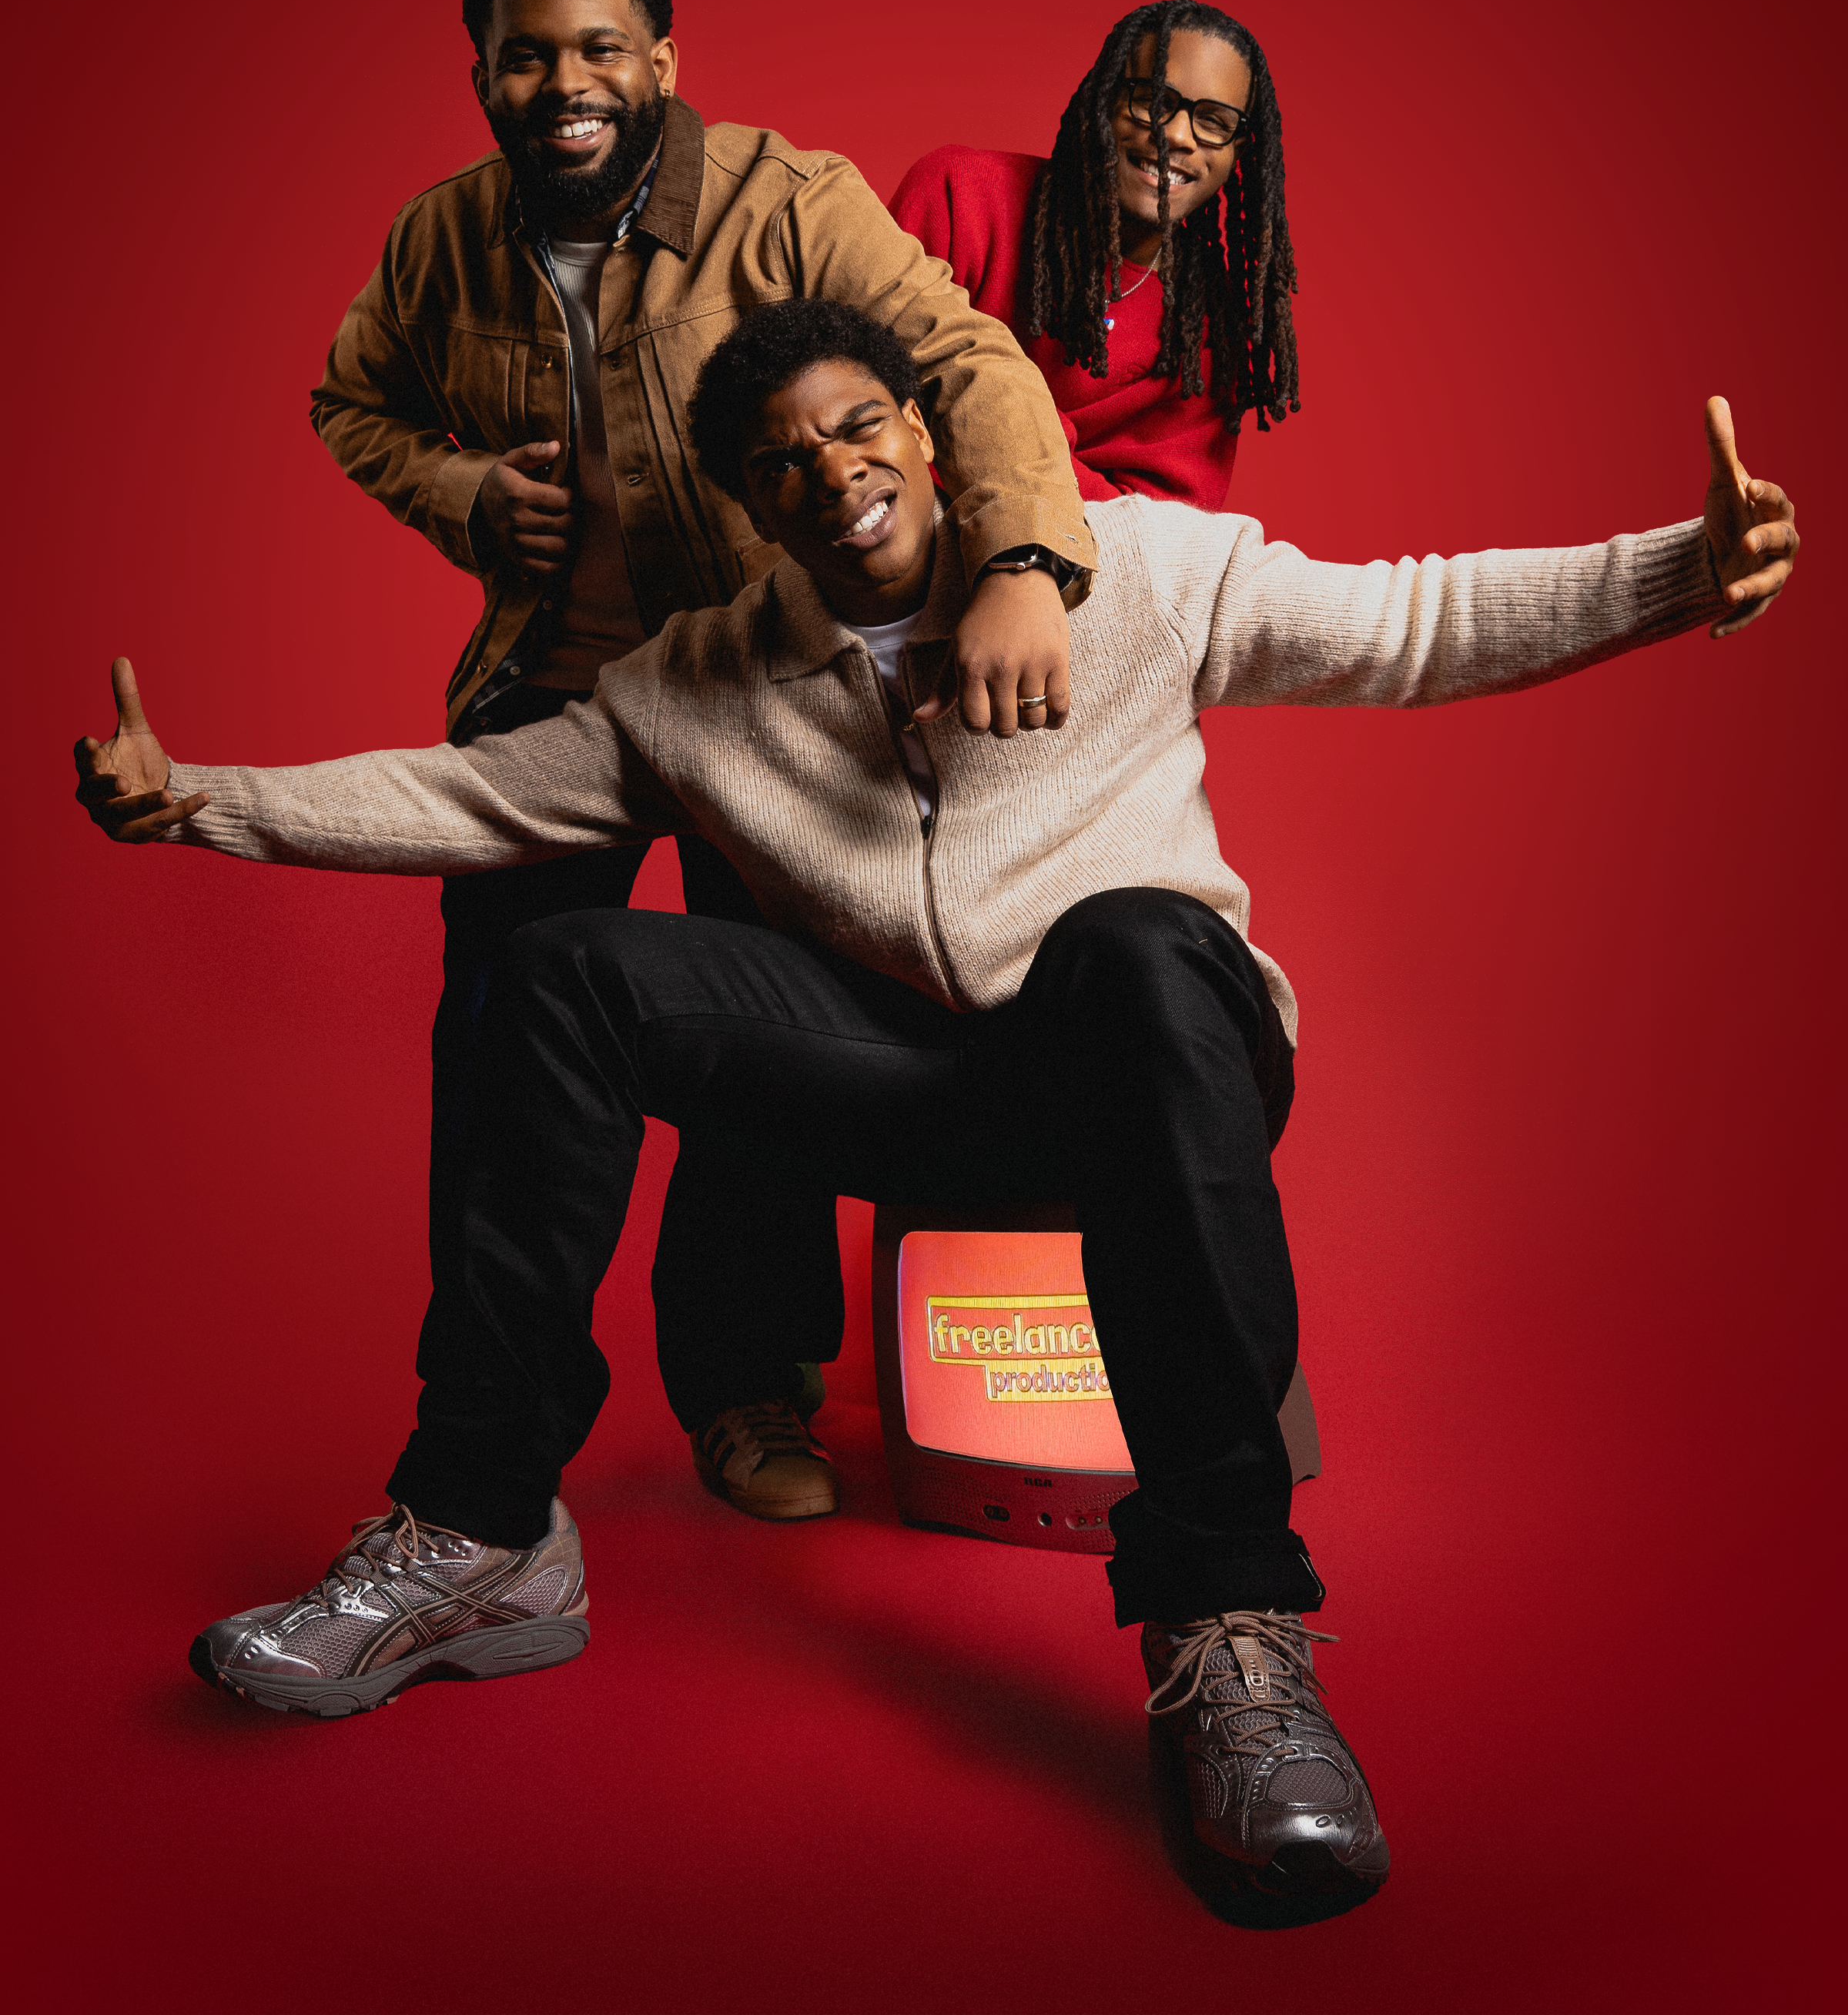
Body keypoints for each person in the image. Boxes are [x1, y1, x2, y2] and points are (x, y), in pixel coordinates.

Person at [75, 300, 1796, 1910]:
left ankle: (1234, 1638)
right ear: (754, 500)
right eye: (786, 460)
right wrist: (200, 800)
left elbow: (1415, 620)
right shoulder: (700, 677)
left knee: (1137, 942)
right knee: (564, 963)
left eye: (860, 425)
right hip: (904, 1083)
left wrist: (1684, 570)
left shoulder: (1130, 567)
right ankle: (481, 1528)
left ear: (925, 425)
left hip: (1145, 1060)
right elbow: (475, 796)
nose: (836, 471)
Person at [313, 0, 1100, 1525]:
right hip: (558, 701)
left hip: (766, 701)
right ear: (481, 75)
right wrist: (461, 491)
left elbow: (964, 354)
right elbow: (351, 399)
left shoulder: (786, 201)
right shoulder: (441, 241)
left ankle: (748, 1394)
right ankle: (487, 1457)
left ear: (661, 58)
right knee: (503, 1065)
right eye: (527, 55)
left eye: (600, 47)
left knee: (766, 1062)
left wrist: (1020, 553)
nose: (565, 81)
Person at [889, 0, 1297, 511]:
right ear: (1101, 100)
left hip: (1067, 573)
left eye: (1214, 122)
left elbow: (1156, 542)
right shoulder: (959, 195)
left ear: (1240, 153)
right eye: (1152, 100)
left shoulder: (1211, 330)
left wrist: (1005, 418)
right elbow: (866, 396)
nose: (1174, 135)